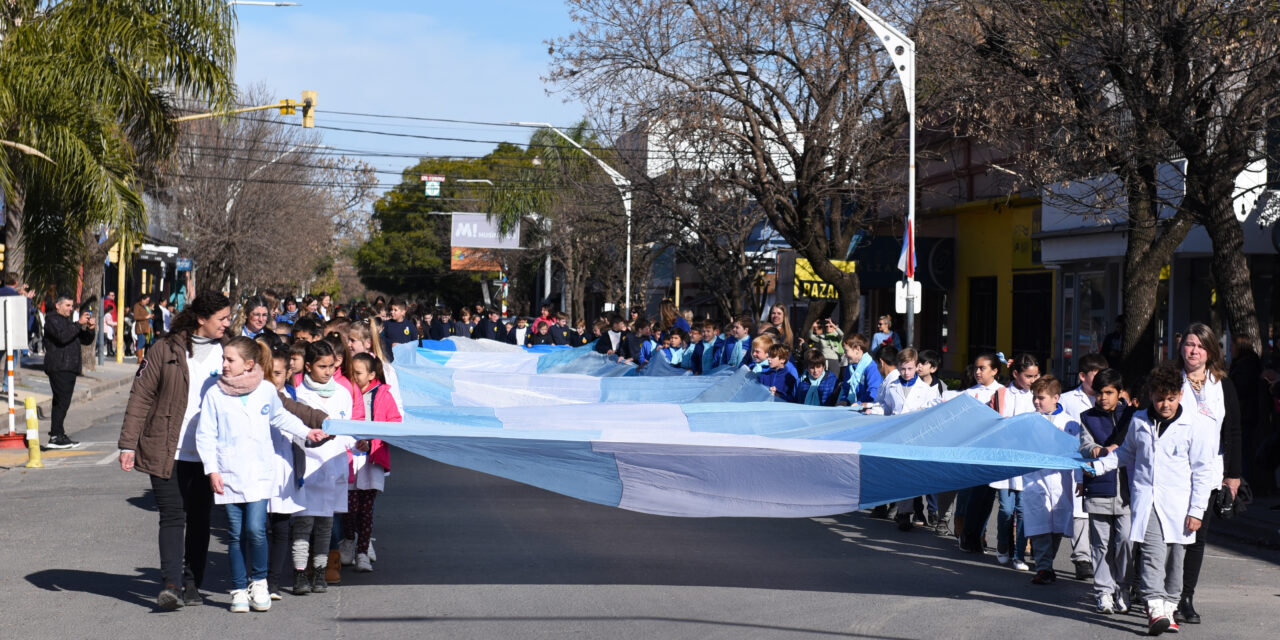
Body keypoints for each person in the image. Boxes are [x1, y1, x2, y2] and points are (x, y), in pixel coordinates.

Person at [195, 337, 326, 613]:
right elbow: (205, 434)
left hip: (258, 473)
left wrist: (306, 432)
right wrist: (212, 469)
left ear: (249, 364)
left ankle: (259, 582)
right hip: (228, 474)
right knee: (234, 533)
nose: (224, 365)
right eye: (224, 359)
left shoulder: (266, 390)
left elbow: (280, 417)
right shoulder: (214, 393)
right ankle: (239, 589)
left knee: (255, 529)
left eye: (230, 360)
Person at [118, 292, 231, 609]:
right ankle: (171, 583)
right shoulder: (164, 349)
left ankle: (192, 581)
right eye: (222, 318)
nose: (227, 323)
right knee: (172, 516)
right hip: (167, 447)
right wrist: (128, 443)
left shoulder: (230, 351)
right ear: (201, 319)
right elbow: (140, 396)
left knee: (200, 518)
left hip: (209, 454)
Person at [1088, 364, 1219, 636]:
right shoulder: (1139, 421)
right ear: (1151, 395)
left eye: (1171, 398)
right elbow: (1125, 454)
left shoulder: (1192, 426)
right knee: (1152, 554)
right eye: (1160, 398)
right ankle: (1154, 607)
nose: (1165, 404)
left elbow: (1202, 472)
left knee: (1175, 560)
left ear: (1180, 395)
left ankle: (1169, 607)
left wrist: (1197, 510)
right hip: (1148, 501)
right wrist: (1100, 467)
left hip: (1179, 505)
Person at [1173, 323, 1242, 625]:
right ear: (1181, 347)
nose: (1194, 351)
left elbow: (1234, 431)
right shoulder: (1171, 380)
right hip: (1173, 472)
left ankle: (1185, 597)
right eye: (1189, 344)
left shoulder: (1222, 384)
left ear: (1211, 351)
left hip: (1210, 472)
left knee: (1197, 537)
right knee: (1167, 534)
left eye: (1200, 346)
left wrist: (1234, 475)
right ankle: (1152, 589)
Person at [1077, 368, 1136, 614]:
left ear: (1119, 393)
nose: (1103, 398)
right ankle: (1103, 591)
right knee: (1100, 544)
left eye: (1109, 392)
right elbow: (1085, 446)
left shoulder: (1132, 416)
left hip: (1127, 492)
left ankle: (1124, 588)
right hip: (1099, 489)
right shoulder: (1087, 417)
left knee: (1126, 542)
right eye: (1099, 393)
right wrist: (1102, 451)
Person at [342, 353, 398, 572]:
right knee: (348, 507)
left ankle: (363, 552)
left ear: (372, 374)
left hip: (372, 459)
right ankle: (348, 542)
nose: (354, 377)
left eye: (358, 373)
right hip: (349, 457)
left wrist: (372, 440)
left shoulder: (383, 394)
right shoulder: (346, 392)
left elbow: (394, 423)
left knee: (365, 509)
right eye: (351, 372)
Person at [876, 347, 943, 531]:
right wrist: (873, 410)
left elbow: (934, 413)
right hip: (897, 437)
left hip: (918, 438)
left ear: (916, 367)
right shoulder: (891, 387)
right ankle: (905, 513)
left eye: (910, 369)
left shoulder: (927, 390)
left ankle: (932, 511)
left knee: (919, 475)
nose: (906, 373)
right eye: (903, 369)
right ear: (898, 367)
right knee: (901, 475)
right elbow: (886, 408)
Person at [1025, 375, 1080, 585]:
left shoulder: (1070, 423)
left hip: (1059, 479)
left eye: (1041, 398)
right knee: (1039, 524)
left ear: (1056, 397)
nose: (1037, 402)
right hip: (1035, 479)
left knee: (1057, 525)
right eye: (1034, 398)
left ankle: (1048, 562)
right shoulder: (1029, 420)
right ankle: (1044, 567)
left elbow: (1076, 449)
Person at [1059, 352, 1110, 580]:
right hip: (1076, 462)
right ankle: (1081, 558)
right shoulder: (1067, 400)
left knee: (1100, 511)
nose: (1100, 381)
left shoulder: (1110, 399)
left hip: (1104, 463)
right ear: (1082, 376)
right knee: (1079, 510)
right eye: (1095, 375)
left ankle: (1101, 556)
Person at [992, 353, 1041, 570]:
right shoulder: (1002, 394)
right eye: (1029, 376)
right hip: (1005, 457)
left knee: (1023, 509)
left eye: (1036, 375)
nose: (1033, 380)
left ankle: (1019, 555)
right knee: (1005, 508)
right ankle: (1003, 545)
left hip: (1027, 458)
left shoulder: (1038, 395)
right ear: (1015, 374)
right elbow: (993, 422)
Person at [957, 352, 1008, 553]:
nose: (978, 372)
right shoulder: (969, 393)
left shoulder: (1003, 392)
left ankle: (981, 535)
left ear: (995, 370)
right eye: (976, 368)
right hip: (975, 451)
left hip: (996, 452)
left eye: (983, 368)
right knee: (974, 496)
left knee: (989, 498)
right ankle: (969, 535)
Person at [42, 293, 96, 449]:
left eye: (72, 306)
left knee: (62, 402)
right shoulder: (52, 320)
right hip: (60, 366)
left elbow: (84, 339)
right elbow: (62, 337)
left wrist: (90, 329)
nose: (70, 309)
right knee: (62, 402)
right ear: (58, 305)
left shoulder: (68, 322)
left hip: (70, 367)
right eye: (67, 305)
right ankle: (55, 436)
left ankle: (58, 433)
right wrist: (78, 323)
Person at [837, 334, 882, 407]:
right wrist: (844, 400)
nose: (844, 354)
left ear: (857, 349)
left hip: (868, 408)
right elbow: (846, 389)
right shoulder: (849, 367)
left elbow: (874, 391)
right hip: (853, 407)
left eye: (846, 351)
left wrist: (859, 403)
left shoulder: (871, 366)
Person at [132, 292, 152, 361]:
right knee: (141, 342)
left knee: (143, 342)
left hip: (145, 327)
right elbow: (136, 316)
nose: (147, 302)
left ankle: (140, 357)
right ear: (142, 299)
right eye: (146, 300)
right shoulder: (137, 306)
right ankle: (139, 358)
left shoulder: (145, 307)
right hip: (140, 327)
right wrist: (146, 317)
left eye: (148, 301)